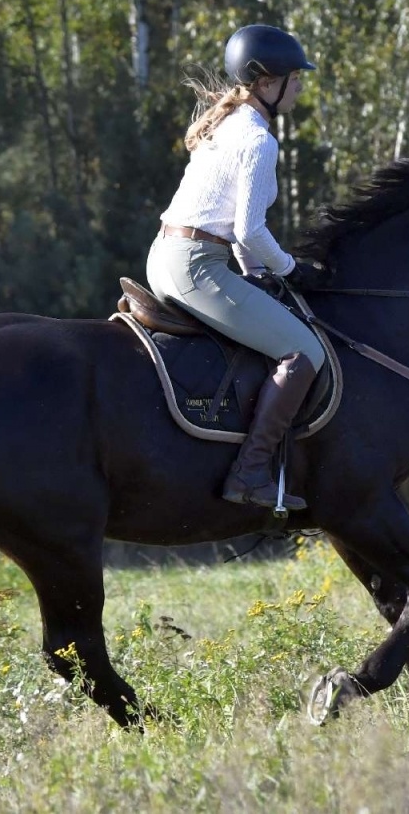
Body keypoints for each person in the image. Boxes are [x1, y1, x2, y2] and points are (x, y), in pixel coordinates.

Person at [147, 25, 330, 509]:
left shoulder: (226, 126)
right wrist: (291, 269)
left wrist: (255, 277)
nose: (300, 87)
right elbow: (248, 231)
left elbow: (236, 230)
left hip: (165, 256)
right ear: (268, 83)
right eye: (295, 78)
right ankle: (250, 474)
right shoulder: (258, 140)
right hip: (196, 266)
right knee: (303, 352)